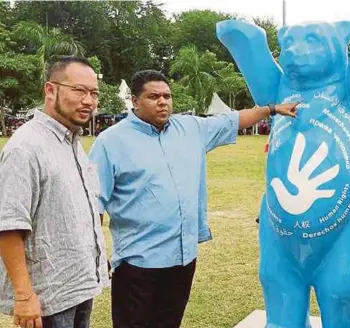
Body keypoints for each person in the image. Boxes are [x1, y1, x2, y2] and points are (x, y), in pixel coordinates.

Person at [88, 70, 299, 328]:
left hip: (183, 258)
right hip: (138, 263)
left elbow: (233, 120)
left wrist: (273, 109)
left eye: (167, 96)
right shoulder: (111, 142)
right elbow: (93, 202)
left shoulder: (190, 128)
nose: (163, 102)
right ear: (135, 100)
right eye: (153, 96)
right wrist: (96, 253)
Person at [0, 56, 109, 328]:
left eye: (94, 93)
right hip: (47, 296)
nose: (89, 101)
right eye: (79, 90)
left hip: (79, 284)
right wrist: (24, 296)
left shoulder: (71, 141)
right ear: (50, 90)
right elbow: (9, 225)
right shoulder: (25, 148)